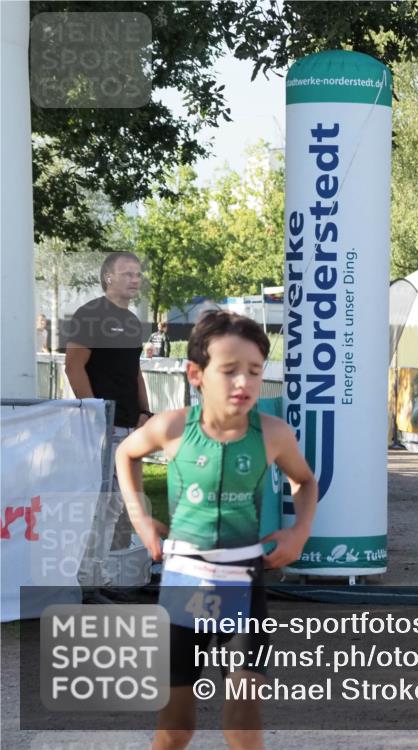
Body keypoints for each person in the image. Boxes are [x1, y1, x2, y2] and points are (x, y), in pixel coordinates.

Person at [115, 311, 318, 749]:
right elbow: (126, 455)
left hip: (243, 586)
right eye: (229, 371)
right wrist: (141, 515)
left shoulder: (274, 434)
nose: (243, 383)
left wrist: (299, 531)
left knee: (244, 725)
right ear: (196, 374)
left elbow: (305, 481)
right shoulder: (171, 428)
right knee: (176, 729)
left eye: (254, 371)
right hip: (182, 590)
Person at [64, 251, 152, 585]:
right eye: (127, 273)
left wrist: (145, 411)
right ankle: (86, 578)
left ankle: (100, 575)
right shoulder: (91, 315)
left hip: (130, 423)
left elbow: (134, 371)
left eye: (137, 274)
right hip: (103, 423)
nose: (134, 279)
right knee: (100, 502)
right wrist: (94, 413)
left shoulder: (132, 322)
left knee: (118, 503)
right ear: (108, 278)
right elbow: (74, 366)